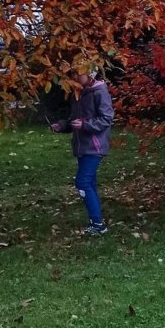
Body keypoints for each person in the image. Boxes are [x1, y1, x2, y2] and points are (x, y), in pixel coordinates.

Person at [51, 66, 115, 236]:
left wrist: (86, 125)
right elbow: (75, 120)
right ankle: (96, 223)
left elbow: (106, 118)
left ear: (91, 73)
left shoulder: (100, 92)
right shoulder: (79, 93)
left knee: (83, 182)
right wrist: (62, 126)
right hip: (83, 146)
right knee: (89, 183)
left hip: (94, 146)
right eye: (72, 73)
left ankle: (98, 225)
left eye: (78, 73)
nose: (74, 76)